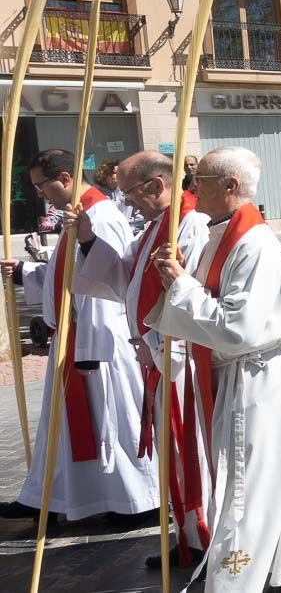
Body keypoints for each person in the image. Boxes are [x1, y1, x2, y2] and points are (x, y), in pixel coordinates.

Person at [149, 147, 281, 593]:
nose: (191, 187)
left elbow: (237, 327)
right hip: (243, 376)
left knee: (247, 482)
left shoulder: (254, 244)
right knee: (267, 476)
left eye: (200, 178)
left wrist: (182, 286)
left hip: (255, 377)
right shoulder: (221, 235)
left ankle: (239, 581)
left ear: (230, 186)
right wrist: (179, 279)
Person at [68, 151, 212, 568]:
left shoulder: (192, 224)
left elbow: (193, 293)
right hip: (156, 357)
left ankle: (206, 541)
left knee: (194, 455)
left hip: (182, 358)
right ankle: (188, 536)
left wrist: (157, 338)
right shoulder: (153, 230)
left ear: (156, 185)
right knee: (175, 457)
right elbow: (122, 279)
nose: (126, 202)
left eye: (129, 192)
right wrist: (88, 240)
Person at [0, 149, 158, 524]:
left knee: (113, 422)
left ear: (66, 179)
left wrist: (89, 350)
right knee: (66, 426)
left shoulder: (100, 216)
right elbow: (67, 275)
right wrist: (25, 270)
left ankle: (137, 501)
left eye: (43, 185)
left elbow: (106, 283)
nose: (40, 193)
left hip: (97, 344)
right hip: (74, 340)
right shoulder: (78, 217)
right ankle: (49, 495)